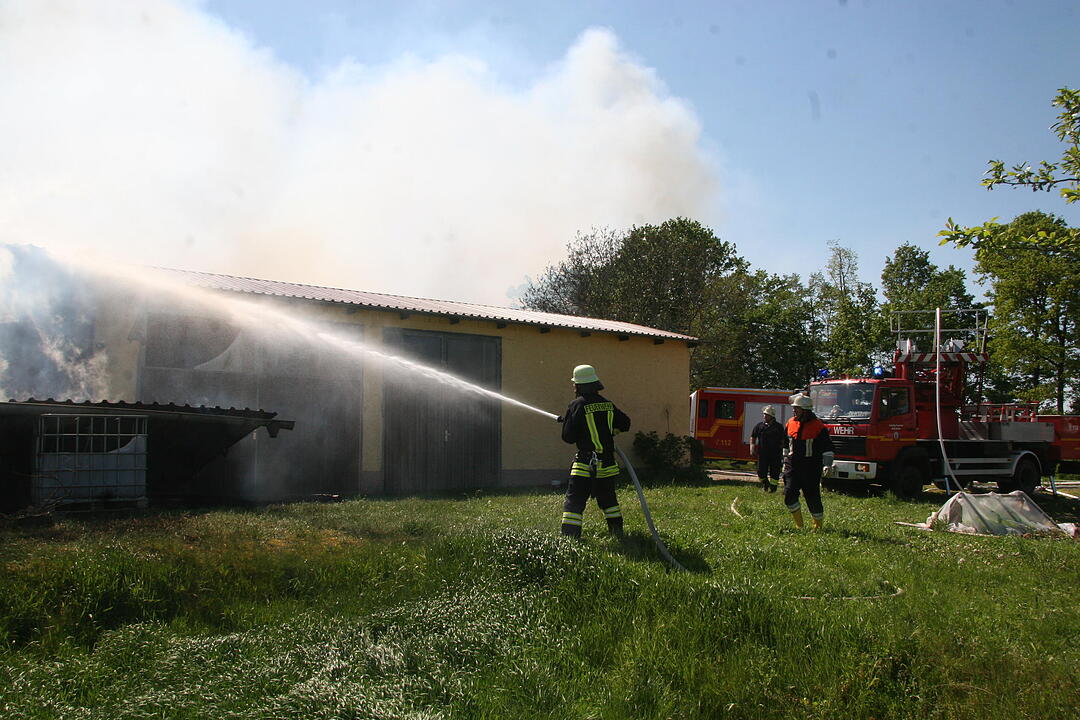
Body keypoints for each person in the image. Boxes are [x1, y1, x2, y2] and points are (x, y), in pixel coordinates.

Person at [558, 364, 631, 538]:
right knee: (608, 500)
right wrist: (611, 432)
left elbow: (568, 438)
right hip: (607, 464)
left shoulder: (576, 405)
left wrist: (570, 423)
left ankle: (570, 537)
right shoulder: (607, 404)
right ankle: (617, 532)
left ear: (579, 385)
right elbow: (625, 423)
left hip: (586, 463)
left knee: (574, 502)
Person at [782, 394, 834, 530]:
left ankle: (817, 527)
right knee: (789, 494)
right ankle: (800, 526)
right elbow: (786, 444)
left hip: (811, 467)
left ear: (805, 410)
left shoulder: (819, 426)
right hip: (792, 465)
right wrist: (784, 461)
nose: (794, 411)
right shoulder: (790, 423)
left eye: (797, 409)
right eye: (794, 408)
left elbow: (827, 448)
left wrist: (827, 464)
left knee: (812, 496)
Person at [749, 405, 783, 492]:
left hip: (775, 454)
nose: (764, 416)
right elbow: (753, 436)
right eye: (764, 414)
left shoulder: (778, 427)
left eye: (766, 415)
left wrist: (783, 452)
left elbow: (783, 440)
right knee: (760, 472)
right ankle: (766, 484)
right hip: (763, 454)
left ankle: (773, 489)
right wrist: (752, 447)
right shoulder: (759, 426)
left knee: (775, 473)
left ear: (771, 416)